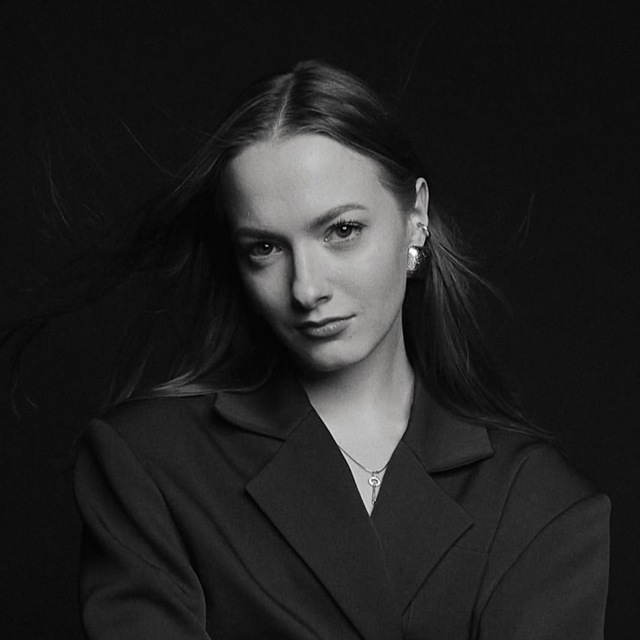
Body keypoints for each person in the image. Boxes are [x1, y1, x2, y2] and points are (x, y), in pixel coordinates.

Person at [71, 60, 609, 639]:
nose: (306, 288)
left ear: (416, 218)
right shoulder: (152, 464)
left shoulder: (536, 502)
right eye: (265, 248)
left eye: (342, 231)